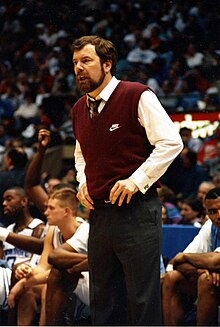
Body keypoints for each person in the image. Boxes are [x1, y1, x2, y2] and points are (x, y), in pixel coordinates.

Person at [71, 35, 183, 325]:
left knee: (141, 301)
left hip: (137, 211)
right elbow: (81, 154)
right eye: (74, 63)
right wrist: (82, 182)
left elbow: (171, 142)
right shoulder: (78, 109)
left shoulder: (137, 94)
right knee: (103, 301)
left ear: (107, 64)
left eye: (86, 61)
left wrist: (136, 180)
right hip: (100, 215)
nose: (78, 68)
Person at [8, 187, 89, 326]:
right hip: (68, 285)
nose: (45, 212)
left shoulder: (84, 231)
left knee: (49, 285)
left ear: (66, 211)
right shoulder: (53, 229)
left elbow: (55, 264)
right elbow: (43, 266)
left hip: (91, 289)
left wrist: (23, 283)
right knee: (30, 291)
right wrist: (27, 270)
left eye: (51, 208)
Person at [162, 187, 220, 326]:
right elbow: (178, 263)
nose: (218, 215)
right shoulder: (210, 226)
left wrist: (185, 257)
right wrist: (201, 269)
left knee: (206, 280)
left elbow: (215, 262)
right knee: (172, 277)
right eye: (212, 212)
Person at [0, 186, 45, 313]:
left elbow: (41, 253)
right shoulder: (8, 229)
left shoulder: (38, 227)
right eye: (3, 200)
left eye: (9, 199)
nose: (4, 204)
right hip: (7, 279)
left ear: (24, 201)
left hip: (28, 279)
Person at [0, 147, 28, 226]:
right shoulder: (33, 178)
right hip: (28, 222)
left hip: (4, 221)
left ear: (9, 160)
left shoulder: (2, 177)